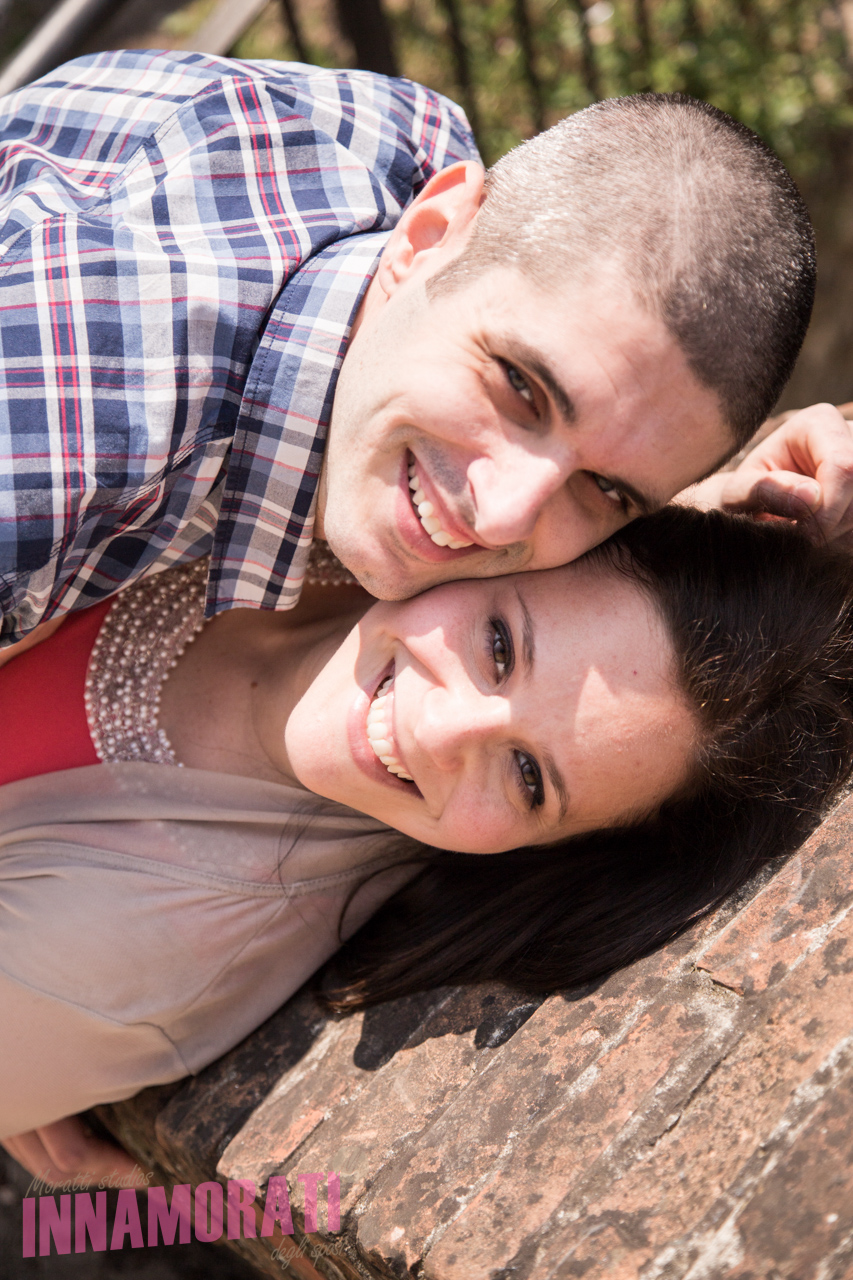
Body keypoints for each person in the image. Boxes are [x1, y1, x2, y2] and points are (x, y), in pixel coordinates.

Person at [3, 505, 853, 1184]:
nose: (437, 730)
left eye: (528, 780)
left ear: (549, 848)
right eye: (498, 645)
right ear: (521, 543)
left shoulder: (107, 966)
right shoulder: (360, 489)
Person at [2, 49, 853, 659]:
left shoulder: (412, 148)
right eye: (522, 390)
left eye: (604, 491)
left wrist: (702, 524)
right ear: (429, 234)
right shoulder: (73, 433)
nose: (504, 515)